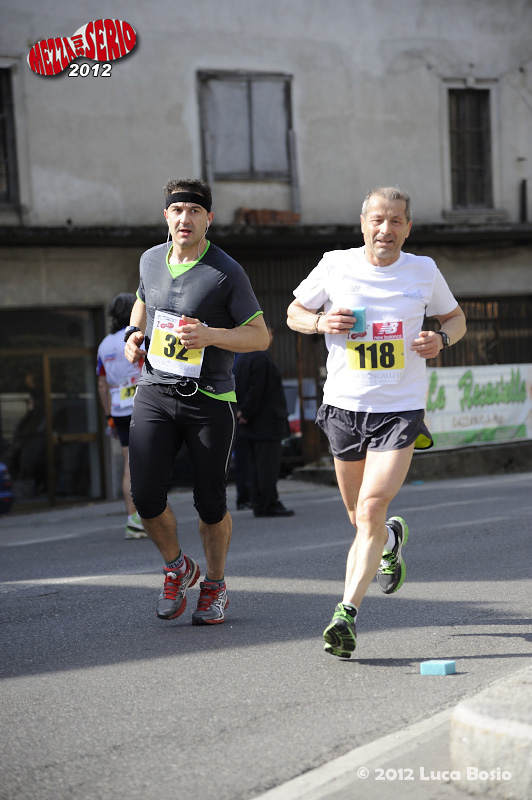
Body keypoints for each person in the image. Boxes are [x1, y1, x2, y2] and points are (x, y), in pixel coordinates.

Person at [287, 186, 466, 658]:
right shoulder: (335, 264)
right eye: (378, 220)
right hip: (344, 407)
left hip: (399, 409)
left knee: (369, 509)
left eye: (396, 221)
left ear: (408, 228)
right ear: (363, 224)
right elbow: (294, 313)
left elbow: (456, 318)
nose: (386, 229)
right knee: (359, 517)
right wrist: (320, 324)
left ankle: (345, 615)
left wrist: (441, 338)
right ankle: (391, 539)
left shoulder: (423, 270)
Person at [124, 178, 269, 625]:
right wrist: (134, 333)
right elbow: (142, 302)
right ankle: (177, 567)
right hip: (155, 391)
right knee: (145, 496)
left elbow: (260, 336)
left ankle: (215, 584)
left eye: (194, 211)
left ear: (209, 218)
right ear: (166, 216)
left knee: (210, 502)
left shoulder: (226, 271)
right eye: (177, 210)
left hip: (208, 399)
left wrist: (211, 335)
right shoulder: (150, 259)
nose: (184, 218)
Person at [97, 293, 146, 539]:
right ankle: (151, 516)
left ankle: (132, 518)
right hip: (143, 403)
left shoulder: (103, 345)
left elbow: (102, 385)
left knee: (128, 463)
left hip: (118, 409)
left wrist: (109, 416)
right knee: (151, 460)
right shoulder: (137, 337)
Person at [234, 327, 294, 518]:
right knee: (267, 466)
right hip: (265, 422)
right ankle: (269, 503)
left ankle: (258, 503)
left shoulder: (242, 357)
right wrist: (247, 411)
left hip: (249, 423)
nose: (271, 337)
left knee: (254, 466)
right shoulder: (261, 357)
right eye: (269, 332)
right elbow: (257, 389)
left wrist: (242, 412)